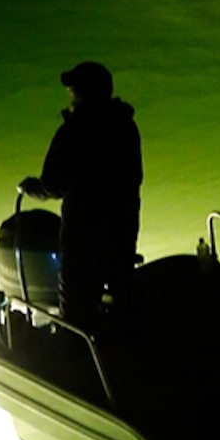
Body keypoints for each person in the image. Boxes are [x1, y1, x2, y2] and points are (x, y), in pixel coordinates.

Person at [25, 61, 143, 324]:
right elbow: (135, 177)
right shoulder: (126, 127)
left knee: (76, 310)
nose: (70, 94)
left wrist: (31, 188)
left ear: (82, 94)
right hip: (123, 230)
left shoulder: (73, 131)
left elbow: (52, 185)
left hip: (83, 238)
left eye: (73, 90)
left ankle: (77, 356)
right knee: (123, 298)